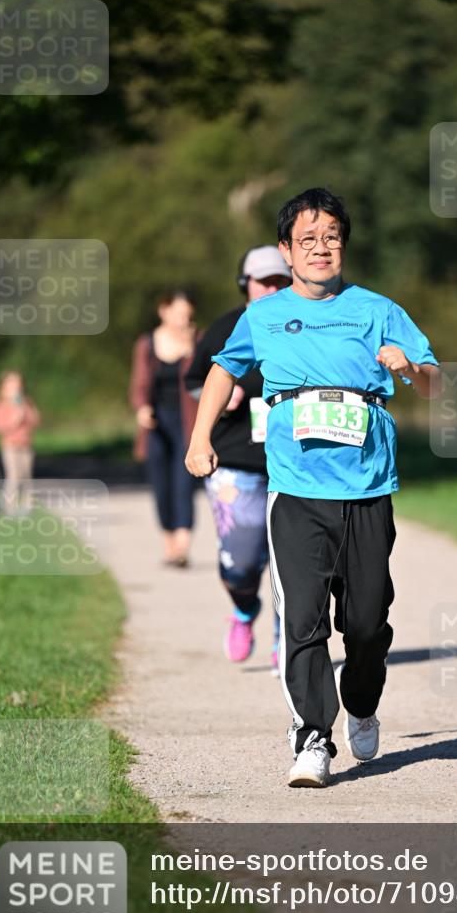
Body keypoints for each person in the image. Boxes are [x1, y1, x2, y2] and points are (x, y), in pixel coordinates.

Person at [186, 187, 440, 788]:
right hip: (296, 490)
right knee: (302, 619)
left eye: (331, 238)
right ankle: (311, 739)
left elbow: (432, 379)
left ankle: (362, 703)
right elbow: (223, 371)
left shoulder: (378, 308)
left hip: (368, 486)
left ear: (343, 246)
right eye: (308, 240)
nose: (321, 248)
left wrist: (410, 368)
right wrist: (201, 441)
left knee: (368, 621)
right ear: (287, 250)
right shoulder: (265, 314)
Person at [184, 247, 291, 670]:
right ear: (244, 283)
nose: (272, 288)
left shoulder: (303, 322)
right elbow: (195, 380)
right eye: (264, 281)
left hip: (294, 459)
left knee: (293, 560)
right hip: (234, 460)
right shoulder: (228, 326)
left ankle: (290, 641)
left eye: (280, 280)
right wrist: (222, 398)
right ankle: (245, 608)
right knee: (242, 560)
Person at [130, 289, 199, 567]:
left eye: (187, 314)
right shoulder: (147, 343)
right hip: (157, 423)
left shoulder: (198, 340)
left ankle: (182, 546)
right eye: (179, 313)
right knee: (161, 484)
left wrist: (191, 348)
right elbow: (138, 383)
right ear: (164, 311)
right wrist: (141, 408)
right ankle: (169, 543)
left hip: (188, 422)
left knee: (184, 483)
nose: (184, 318)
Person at [0, 371, 40, 514]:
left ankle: (27, 505)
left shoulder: (25, 401)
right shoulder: (1, 404)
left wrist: (26, 410)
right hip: (10, 446)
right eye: (12, 383)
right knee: (13, 476)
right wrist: (15, 419)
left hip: (26, 445)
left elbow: (35, 421)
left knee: (26, 476)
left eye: (18, 383)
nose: (16, 387)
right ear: (4, 387)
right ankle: (9, 506)